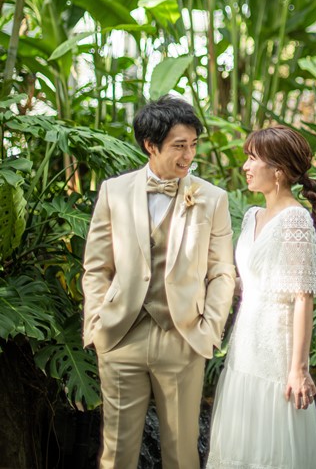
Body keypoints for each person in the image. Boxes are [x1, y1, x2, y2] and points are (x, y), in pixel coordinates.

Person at [82, 95, 236, 469]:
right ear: (151, 146)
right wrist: (96, 323)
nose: (189, 155)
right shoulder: (114, 192)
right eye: (179, 146)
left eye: (193, 145)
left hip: (183, 338)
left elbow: (221, 272)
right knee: (116, 455)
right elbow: (97, 267)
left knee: (182, 454)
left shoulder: (211, 199)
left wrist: (209, 329)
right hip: (121, 336)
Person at [206, 125, 316, 469]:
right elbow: (242, 283)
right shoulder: (251, 216)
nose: (245, 166)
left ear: (278, 171)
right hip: (245, 343)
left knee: (274, 448)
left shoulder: (295, 220)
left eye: (252, 158)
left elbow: (303, 298)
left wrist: (298, 369)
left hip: (277, 349)